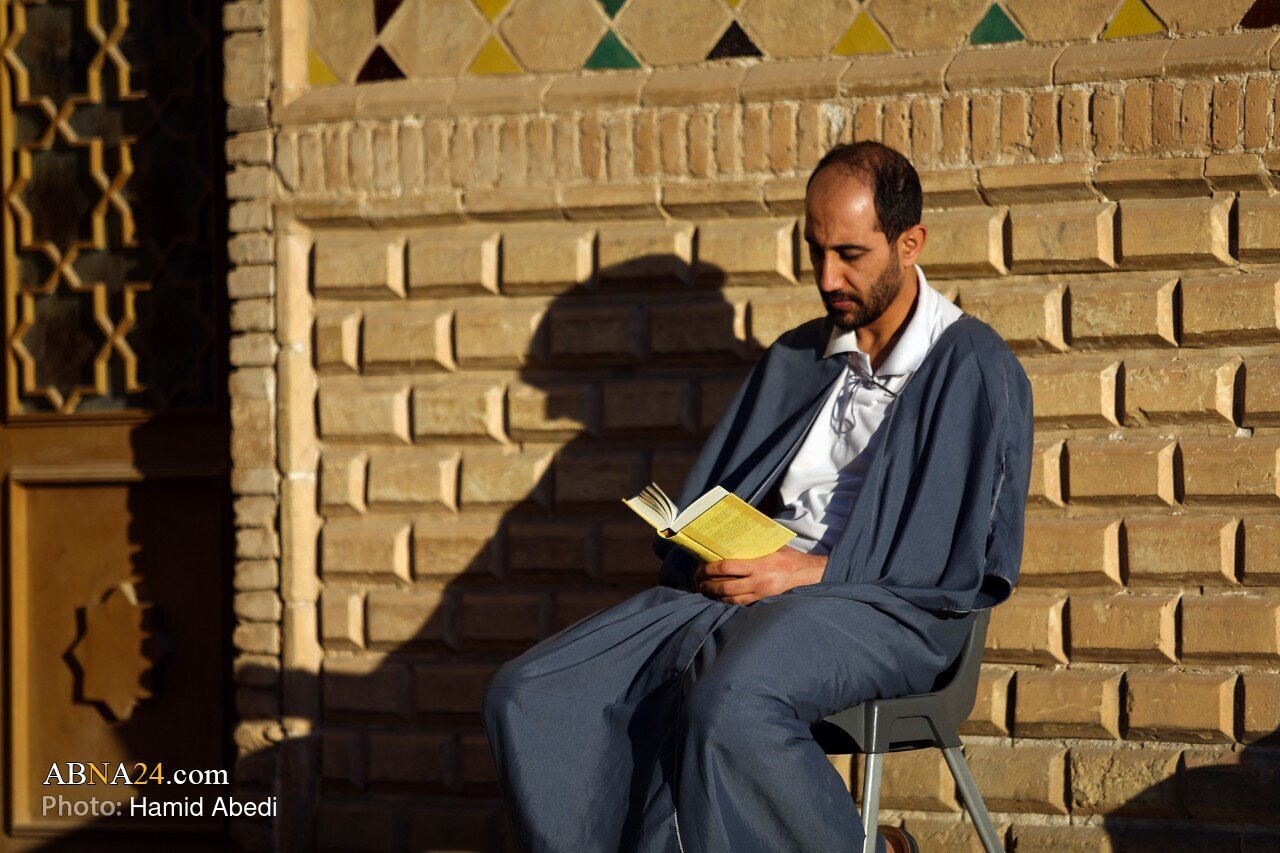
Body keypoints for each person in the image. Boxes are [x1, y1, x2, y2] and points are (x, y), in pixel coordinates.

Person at [483, 141, 1035, 853]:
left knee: (733, 700)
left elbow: (956, 562)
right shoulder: (797, 358)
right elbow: (729, 483)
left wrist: (806, 571)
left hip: (887, 609)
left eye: (851, 253)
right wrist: (713, 545)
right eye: (815, 251)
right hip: (745, 598)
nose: (828, 276)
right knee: (529, 693)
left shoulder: (975, 368)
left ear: (911, 242)